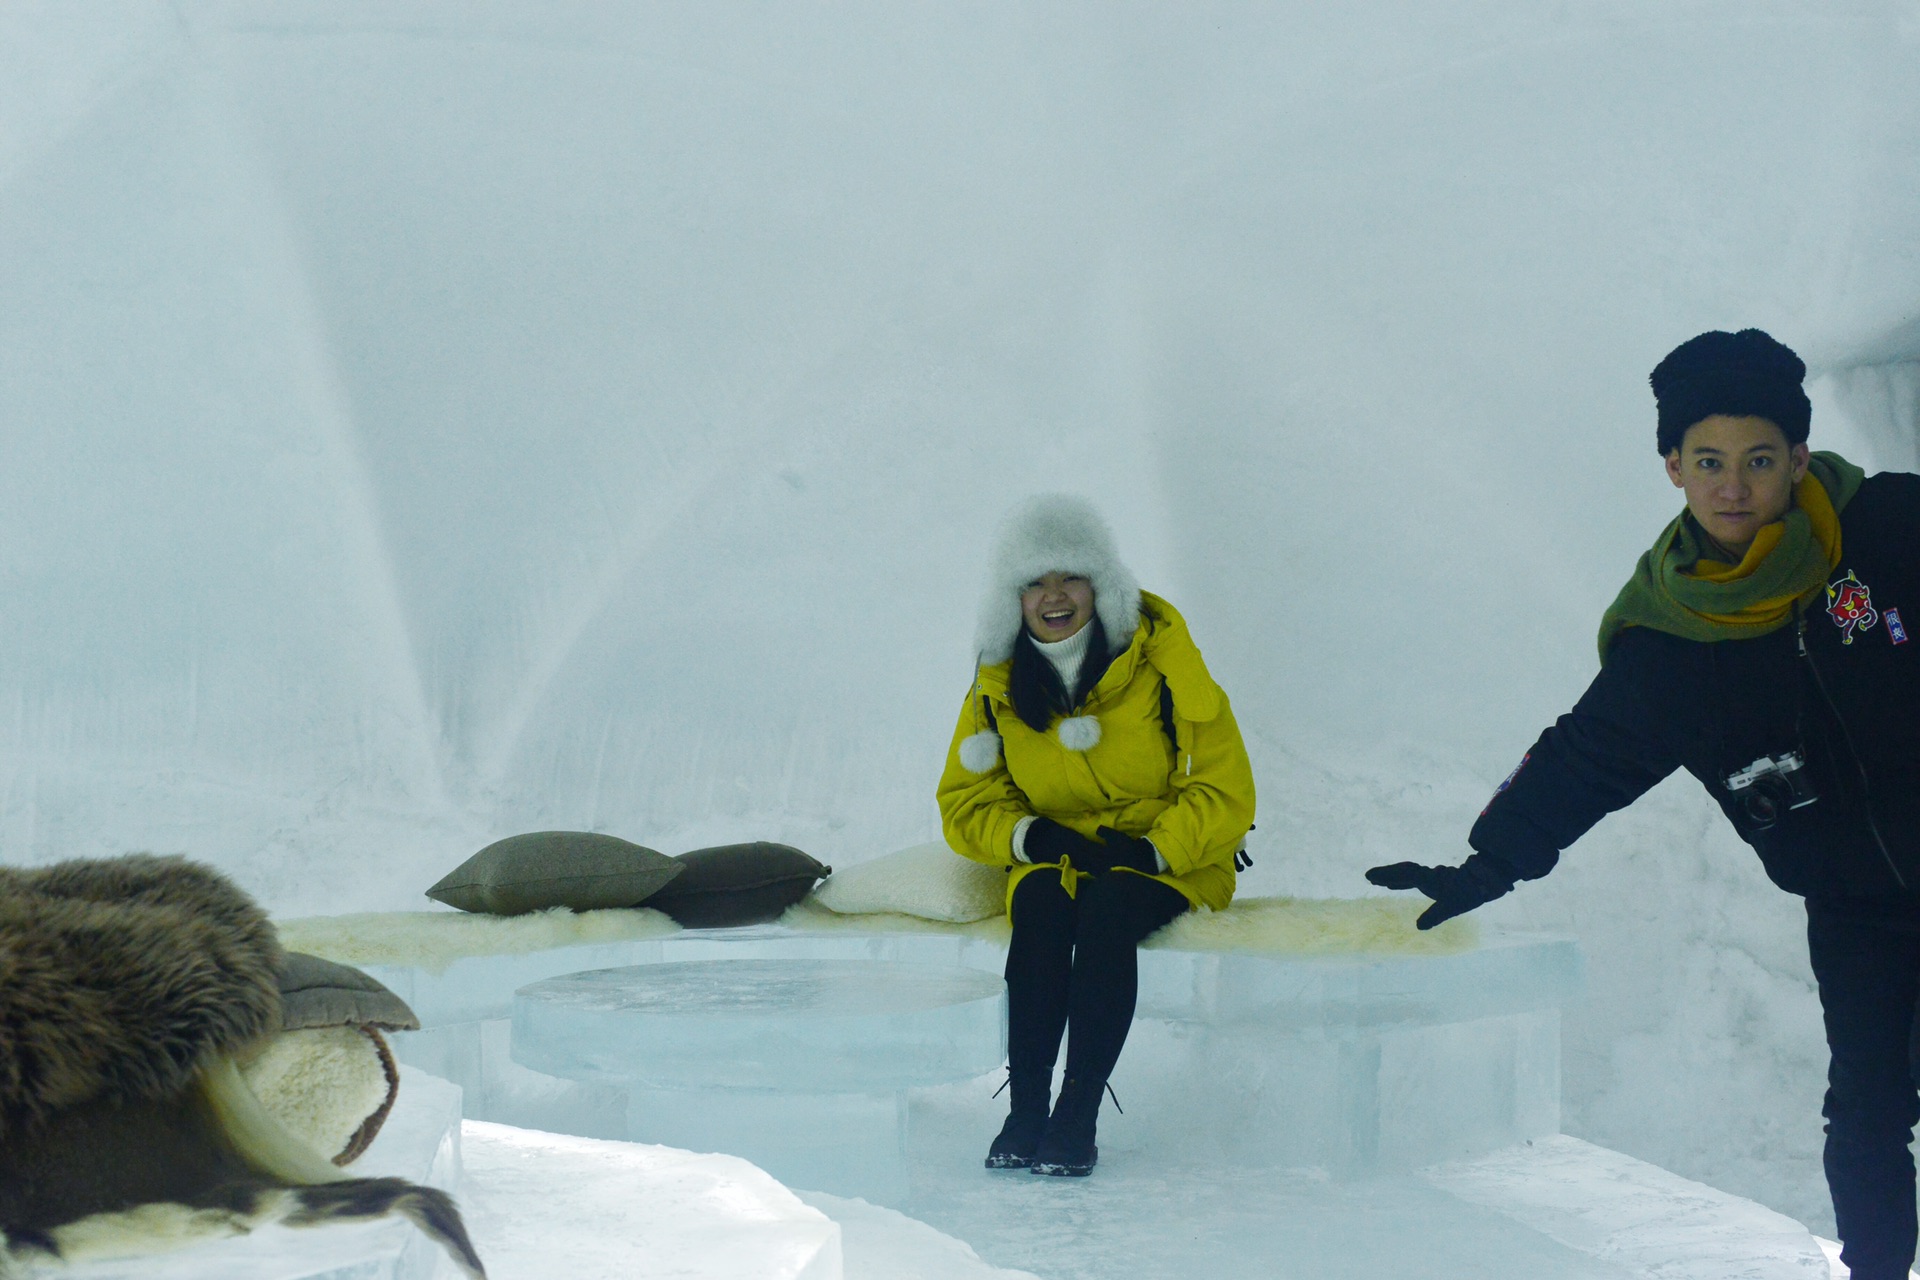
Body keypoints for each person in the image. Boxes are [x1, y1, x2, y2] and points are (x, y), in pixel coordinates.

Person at [1365, 329, 1920, 1279]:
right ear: (1673, 468)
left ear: (1797, 457)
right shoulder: (1671, 640)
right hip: (1857, 906)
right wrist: (1492, 859)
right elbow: (1585, 759)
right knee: (1867, 1109)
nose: (1733, 486)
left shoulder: (1891, 528)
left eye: (1757, 460)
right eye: (1709, 461)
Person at [937, 494, 1256, 1177]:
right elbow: (967, 800)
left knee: (1109, 907)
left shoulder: (1162, 662)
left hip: (1174, 858)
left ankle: (1076, 1114)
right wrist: (1032, 838)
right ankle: (1026, 1111)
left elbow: (1225, 789)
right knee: (1046, 903)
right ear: (1014, 598)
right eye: (1034, 582)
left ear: (1100, 585)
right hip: (1059, 858)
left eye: (1070, 577)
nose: (1054, 597)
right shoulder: (997, 683)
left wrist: (1151, 849)